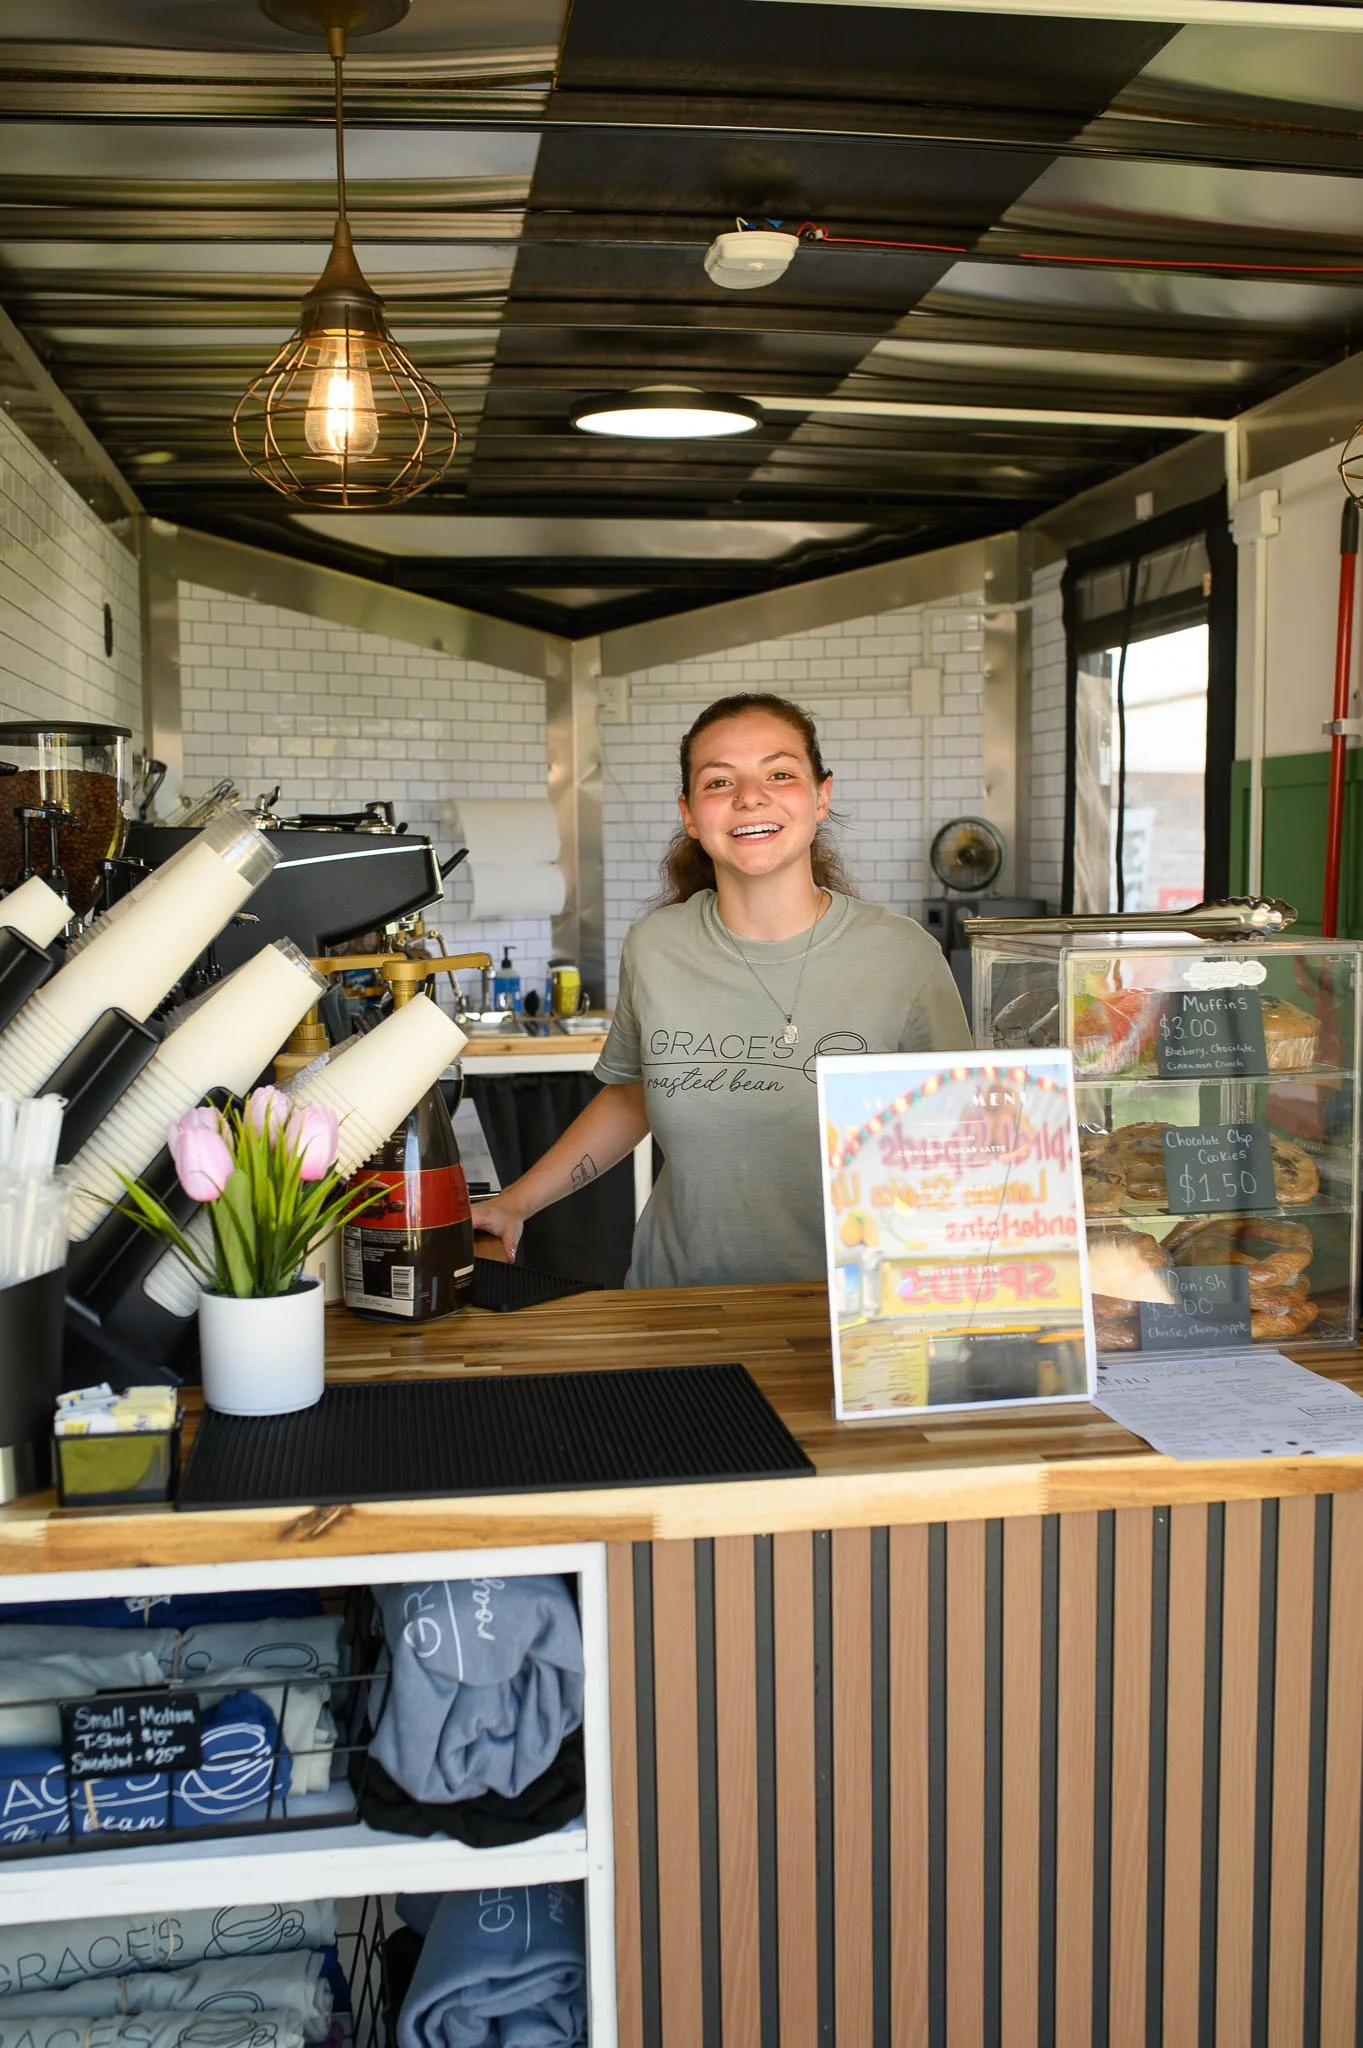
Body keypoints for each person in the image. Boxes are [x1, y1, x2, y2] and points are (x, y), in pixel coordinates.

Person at [470, 691, 971, 1287]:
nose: (750, 797)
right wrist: (515, 1203)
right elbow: (634, 1095)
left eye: (780, 774)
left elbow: (962, 1136)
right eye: (718, 782)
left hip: (847, 1312)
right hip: (678, 1302)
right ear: (689, 813)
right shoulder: (655, 946)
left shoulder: (901, 955)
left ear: (821, 796)